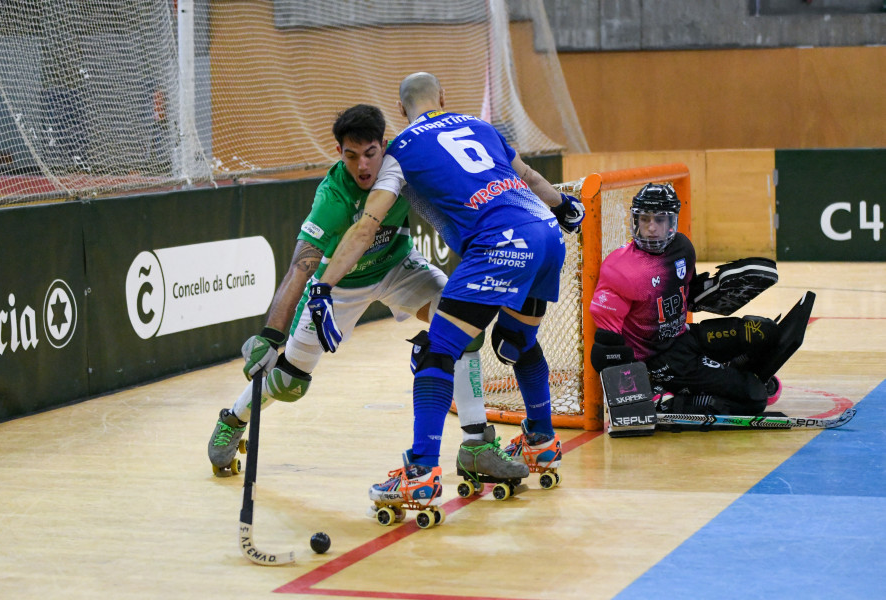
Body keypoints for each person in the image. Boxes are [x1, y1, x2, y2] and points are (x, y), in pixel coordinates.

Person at [304, 73, 586, 511]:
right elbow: (528, 175)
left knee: (437, 350)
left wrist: (322, 284)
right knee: (516, 343)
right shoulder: (480, 126)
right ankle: (540, 441)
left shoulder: (398, 153)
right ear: (444, 98)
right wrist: (565, 206)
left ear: (401, 111)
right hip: (546, 232)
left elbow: (366, 227)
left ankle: (420, 472)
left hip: (499, 242)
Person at [207, 104, 525, 483]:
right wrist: (271, 335)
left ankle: (476, 444)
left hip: (398, 268)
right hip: (339, 288)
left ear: (384, 147)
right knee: (289, 382)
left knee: (464, 325)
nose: (362, 166)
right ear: (339, 153)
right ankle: (234, 417)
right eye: (351, 155)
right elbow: (301, 266)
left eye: (370, 153)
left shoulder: (403, 168)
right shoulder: (333, 197)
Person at [589, 182, 785, 418]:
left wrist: (715, 291)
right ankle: (675, 401)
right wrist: (641, 395)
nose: (651, 228)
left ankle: (729, 373)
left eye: (659, 220)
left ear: (672, 222)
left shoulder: (682, 248)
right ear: (635, 221)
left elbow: (686, 294)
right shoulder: (619, 268)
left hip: (684, 337)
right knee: (754, 397)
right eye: (645, 219)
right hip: (660, 362)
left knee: (764, 332)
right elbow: (606, 349)